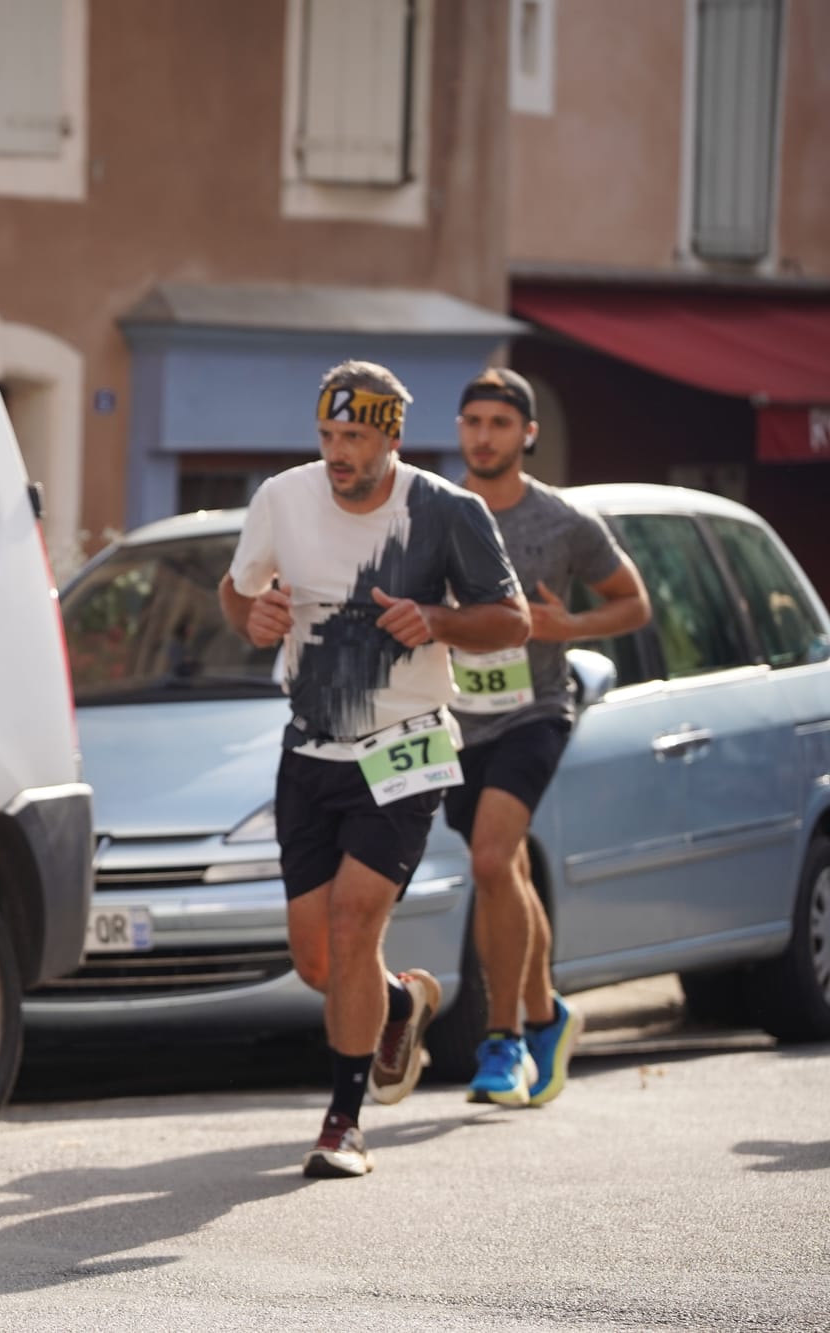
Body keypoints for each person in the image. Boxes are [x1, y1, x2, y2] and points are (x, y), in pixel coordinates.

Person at [219, 360, 528, 1179]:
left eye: (354, 435)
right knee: (318, 960)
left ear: (392, 435)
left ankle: (343, 1123)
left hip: (406, 745)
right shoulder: (284, 497)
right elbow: (236, 592)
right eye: (327, 434)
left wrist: (437, 620)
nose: (337, 452)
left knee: (356, 925)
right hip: (310, 747)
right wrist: (254, 617)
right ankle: (399, 999)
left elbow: (513, 621)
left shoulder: (446, 510)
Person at [448, 368, 649, 1107]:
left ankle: (502, 1041)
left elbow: (633, 603)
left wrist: (572, 626)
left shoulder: (564, 521)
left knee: (491, 858)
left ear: (527, 433)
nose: (484, 436)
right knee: (506, 872)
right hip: (453, 720)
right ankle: (546, 1015)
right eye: (473, 422)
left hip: (533, 712)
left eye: (500, 423)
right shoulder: (437, 511)